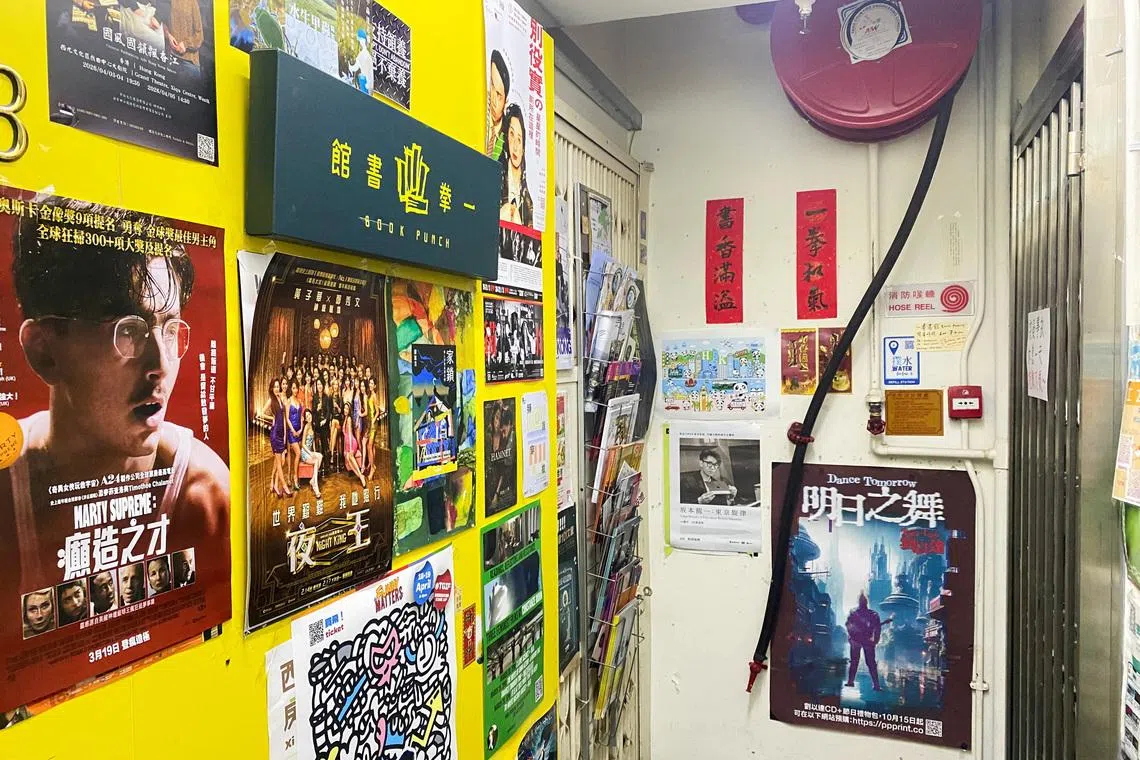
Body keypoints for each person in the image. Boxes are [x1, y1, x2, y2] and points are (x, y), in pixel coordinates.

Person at [2, 200, 230, 605]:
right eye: (129, 330)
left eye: (170, 328)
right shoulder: (6, 488)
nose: (160, 364)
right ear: (44, 352)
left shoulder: (204, 492)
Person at [499, 103, 534, 227]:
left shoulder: (528, 201)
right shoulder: (497, 179)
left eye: (519, 140)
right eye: (511, 134)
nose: (515, 146)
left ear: (524, 147)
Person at [845, 592, 885, 690]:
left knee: (863, 662)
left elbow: (849, 625)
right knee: (866, 662)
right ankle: (875, 685)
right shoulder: (872, 614)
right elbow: (849, 626)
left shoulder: (856, 612)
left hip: (862, 641)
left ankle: (874, 684)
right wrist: (875, 640)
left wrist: (875, 640)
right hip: (862, 641)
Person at [259, 378, 290, 497]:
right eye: (275, 387)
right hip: (275, 433)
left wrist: (285, 435)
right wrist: (272, 419)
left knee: (280, 461)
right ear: (272, 388)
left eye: (278, 386)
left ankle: (272, 481)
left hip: (281, 432)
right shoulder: (271, 400)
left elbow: (283, 417)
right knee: (279, 461)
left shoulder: (280, 398)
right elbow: (261, 412)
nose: (277, 388)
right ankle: (283, 486)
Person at [165, 0, 205, 75]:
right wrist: (168, 35)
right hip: (170, 58)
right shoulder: (167, 2)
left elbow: (199, 35)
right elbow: (161, 22)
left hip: (189, 61)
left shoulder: (192, 2)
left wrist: (185, 44)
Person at [486, 50, 511, 159]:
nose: (494, 100)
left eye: (499, 95)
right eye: (492, 85)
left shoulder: (508, 137)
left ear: (506, 102)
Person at [298, 408, 323, 498]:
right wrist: (310, 453)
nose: (309, 417)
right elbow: (303, 444)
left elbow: (312, 441)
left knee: (320, 456)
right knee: (316, 461)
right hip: (304, 453)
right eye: (307, 416)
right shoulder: (306, 427)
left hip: (309, 451)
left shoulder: (312, 425)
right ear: (305, 418)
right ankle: (316, 487)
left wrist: (314, 451)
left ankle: (312, 479)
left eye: (309, 415)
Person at [341, 408, 367, 489]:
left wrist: (351, 449)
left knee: (350, 456)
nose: (345, 410)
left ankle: (361, 476)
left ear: (349, 410)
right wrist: (345, 449)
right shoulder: (345, 418)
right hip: (348, 443)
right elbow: (345, 437)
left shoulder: (348, 419)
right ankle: (360, 476)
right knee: (347, 458)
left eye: (347, 409)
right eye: (344, 408)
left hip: (352, 442)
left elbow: (349, 434)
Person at [286, 379, 304, 492]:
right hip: (292, 432)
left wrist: (301, 429)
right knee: (297, 453)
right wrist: (293, 430)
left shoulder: (299, 401)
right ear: (291, 389)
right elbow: (287, 418)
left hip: (299, 431)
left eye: (296, 388)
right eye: (293, 388)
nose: (295, 390)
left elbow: (301, 417)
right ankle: (294, 478)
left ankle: (296, 476)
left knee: (299, 454)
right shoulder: (289, 401)